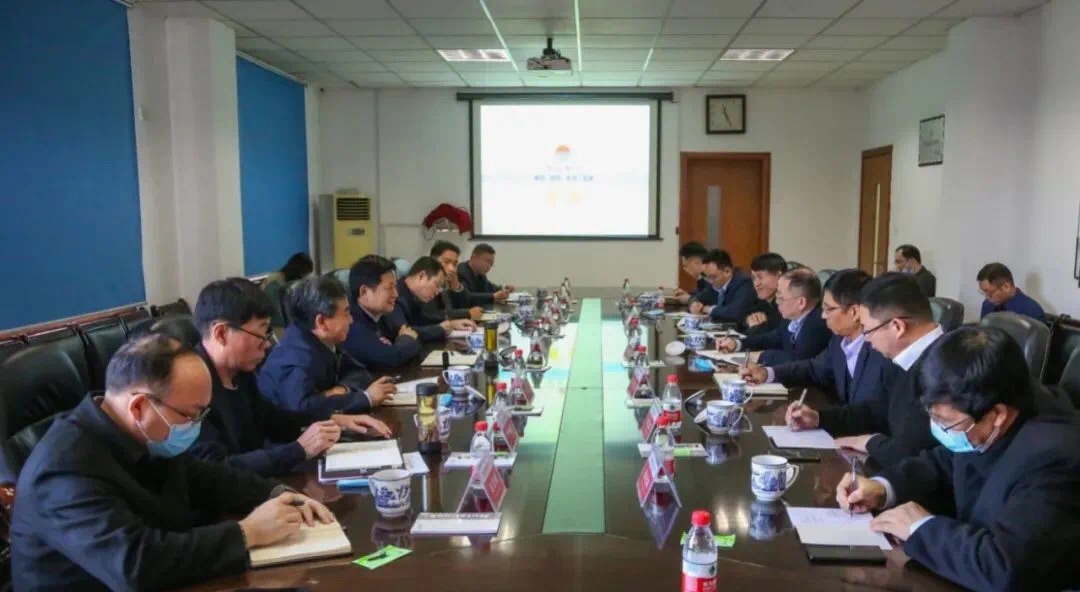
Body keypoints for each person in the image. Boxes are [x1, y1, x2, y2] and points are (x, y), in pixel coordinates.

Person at [11, 334, 337, 591]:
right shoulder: (62, 471)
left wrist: (278, 493)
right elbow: (135, 564)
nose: (196, 426)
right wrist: (246, 532)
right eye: (191, 415)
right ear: (139, 407)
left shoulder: (139, 435)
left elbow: (205, 477)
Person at [837, 326, 1080, 592]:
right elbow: (947, 460)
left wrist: (921, 528)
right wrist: (883, 487)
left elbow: (1004, 568)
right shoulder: (997, 401)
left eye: (945, 421)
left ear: (997, 415)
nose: (937, 428)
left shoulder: (1056, 457)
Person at [188, 278, 390, 477]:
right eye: (261, 334)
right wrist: (300, 449)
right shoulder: (190, 386)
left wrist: (336, 420)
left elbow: (275, 420)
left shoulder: (241, 373)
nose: (268, 344)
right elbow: (215, 470)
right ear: (221, 334)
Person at [786, 273, 940, 467]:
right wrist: (819, 418)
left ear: (897, 327)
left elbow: (921, 452)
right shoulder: (904, 358)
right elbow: (878, 410)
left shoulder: (947, 368)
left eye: (867, 330)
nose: (866, 340)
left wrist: (869, 442)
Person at [740, 269, 894, 407]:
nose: (823, 315)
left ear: (854, 312)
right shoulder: (839, 340)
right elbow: (814, 368)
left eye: (829, 309)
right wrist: (767, 373)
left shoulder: (883, 350)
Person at [257, 275, 397, 417]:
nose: (351, 320)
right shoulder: (296, 360)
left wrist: (341, 389)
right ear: (322, 322)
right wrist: (366, 398)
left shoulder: (322, 340)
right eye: (346, 313)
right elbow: (303, 412)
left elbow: (360, 373)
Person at [717, 268, 831, 366]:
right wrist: (737, 344)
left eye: (781, 297)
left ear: (801, 302)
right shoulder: (792, 318)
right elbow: (773, 338)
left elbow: (797, 360)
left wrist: (760, 356)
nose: (777, 302)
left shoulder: (818, 324)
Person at [342, 254, 422, 370]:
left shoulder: (383, 315)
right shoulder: (352, 324)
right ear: (364, 292)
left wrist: (404, 341)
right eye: (390, 288)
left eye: (395, 287)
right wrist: (406, 339)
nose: (396, 294)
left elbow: (412, 336)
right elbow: (391, 358)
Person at [394, 256, 476, 343]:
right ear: (421, 276)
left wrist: (452, 324)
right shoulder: (396, 295)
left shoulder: (411, 294)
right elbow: (405, 331)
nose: (437, 292)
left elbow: (423, 320)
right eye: (437, 285)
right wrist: (440, 329)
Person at [688, 249, 756, 323]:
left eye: (713, 277)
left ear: (727, 271)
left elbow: (735, 312)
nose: (710, 281)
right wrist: (693, 304)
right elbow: (696, 297)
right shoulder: (713, 284)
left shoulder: (744, 283)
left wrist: (708, 309)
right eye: (707, 277)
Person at [430, 240, 483, 321]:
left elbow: (462, 305)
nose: (452, 269)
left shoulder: (446, 282)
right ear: (432, 261)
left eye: (454, 264)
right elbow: (439, 314)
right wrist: (468, 313)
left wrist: (456, 286)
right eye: (446, 262)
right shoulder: (426, 282)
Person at [977, 262, 1046, 322]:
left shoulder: (1032, 310)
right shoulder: (987, 305)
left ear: (1006, 287)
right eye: (983, 292)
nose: (987, 297)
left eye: (989, 292)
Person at [263, 252, 314, 328]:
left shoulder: (290, 282)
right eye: (305, 273)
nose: (305, 277)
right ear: (299, 272)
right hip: (277, 326)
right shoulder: (274, 284)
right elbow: (276, 314)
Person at [743, 252, 787, 335]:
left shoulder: (787, 303)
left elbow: (777, 336)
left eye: (760, 277)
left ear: (779, 276)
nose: (756, 284)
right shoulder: (760, 300)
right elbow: (742, 316)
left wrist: (756, 328)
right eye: (753, 278)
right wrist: (748, 319)